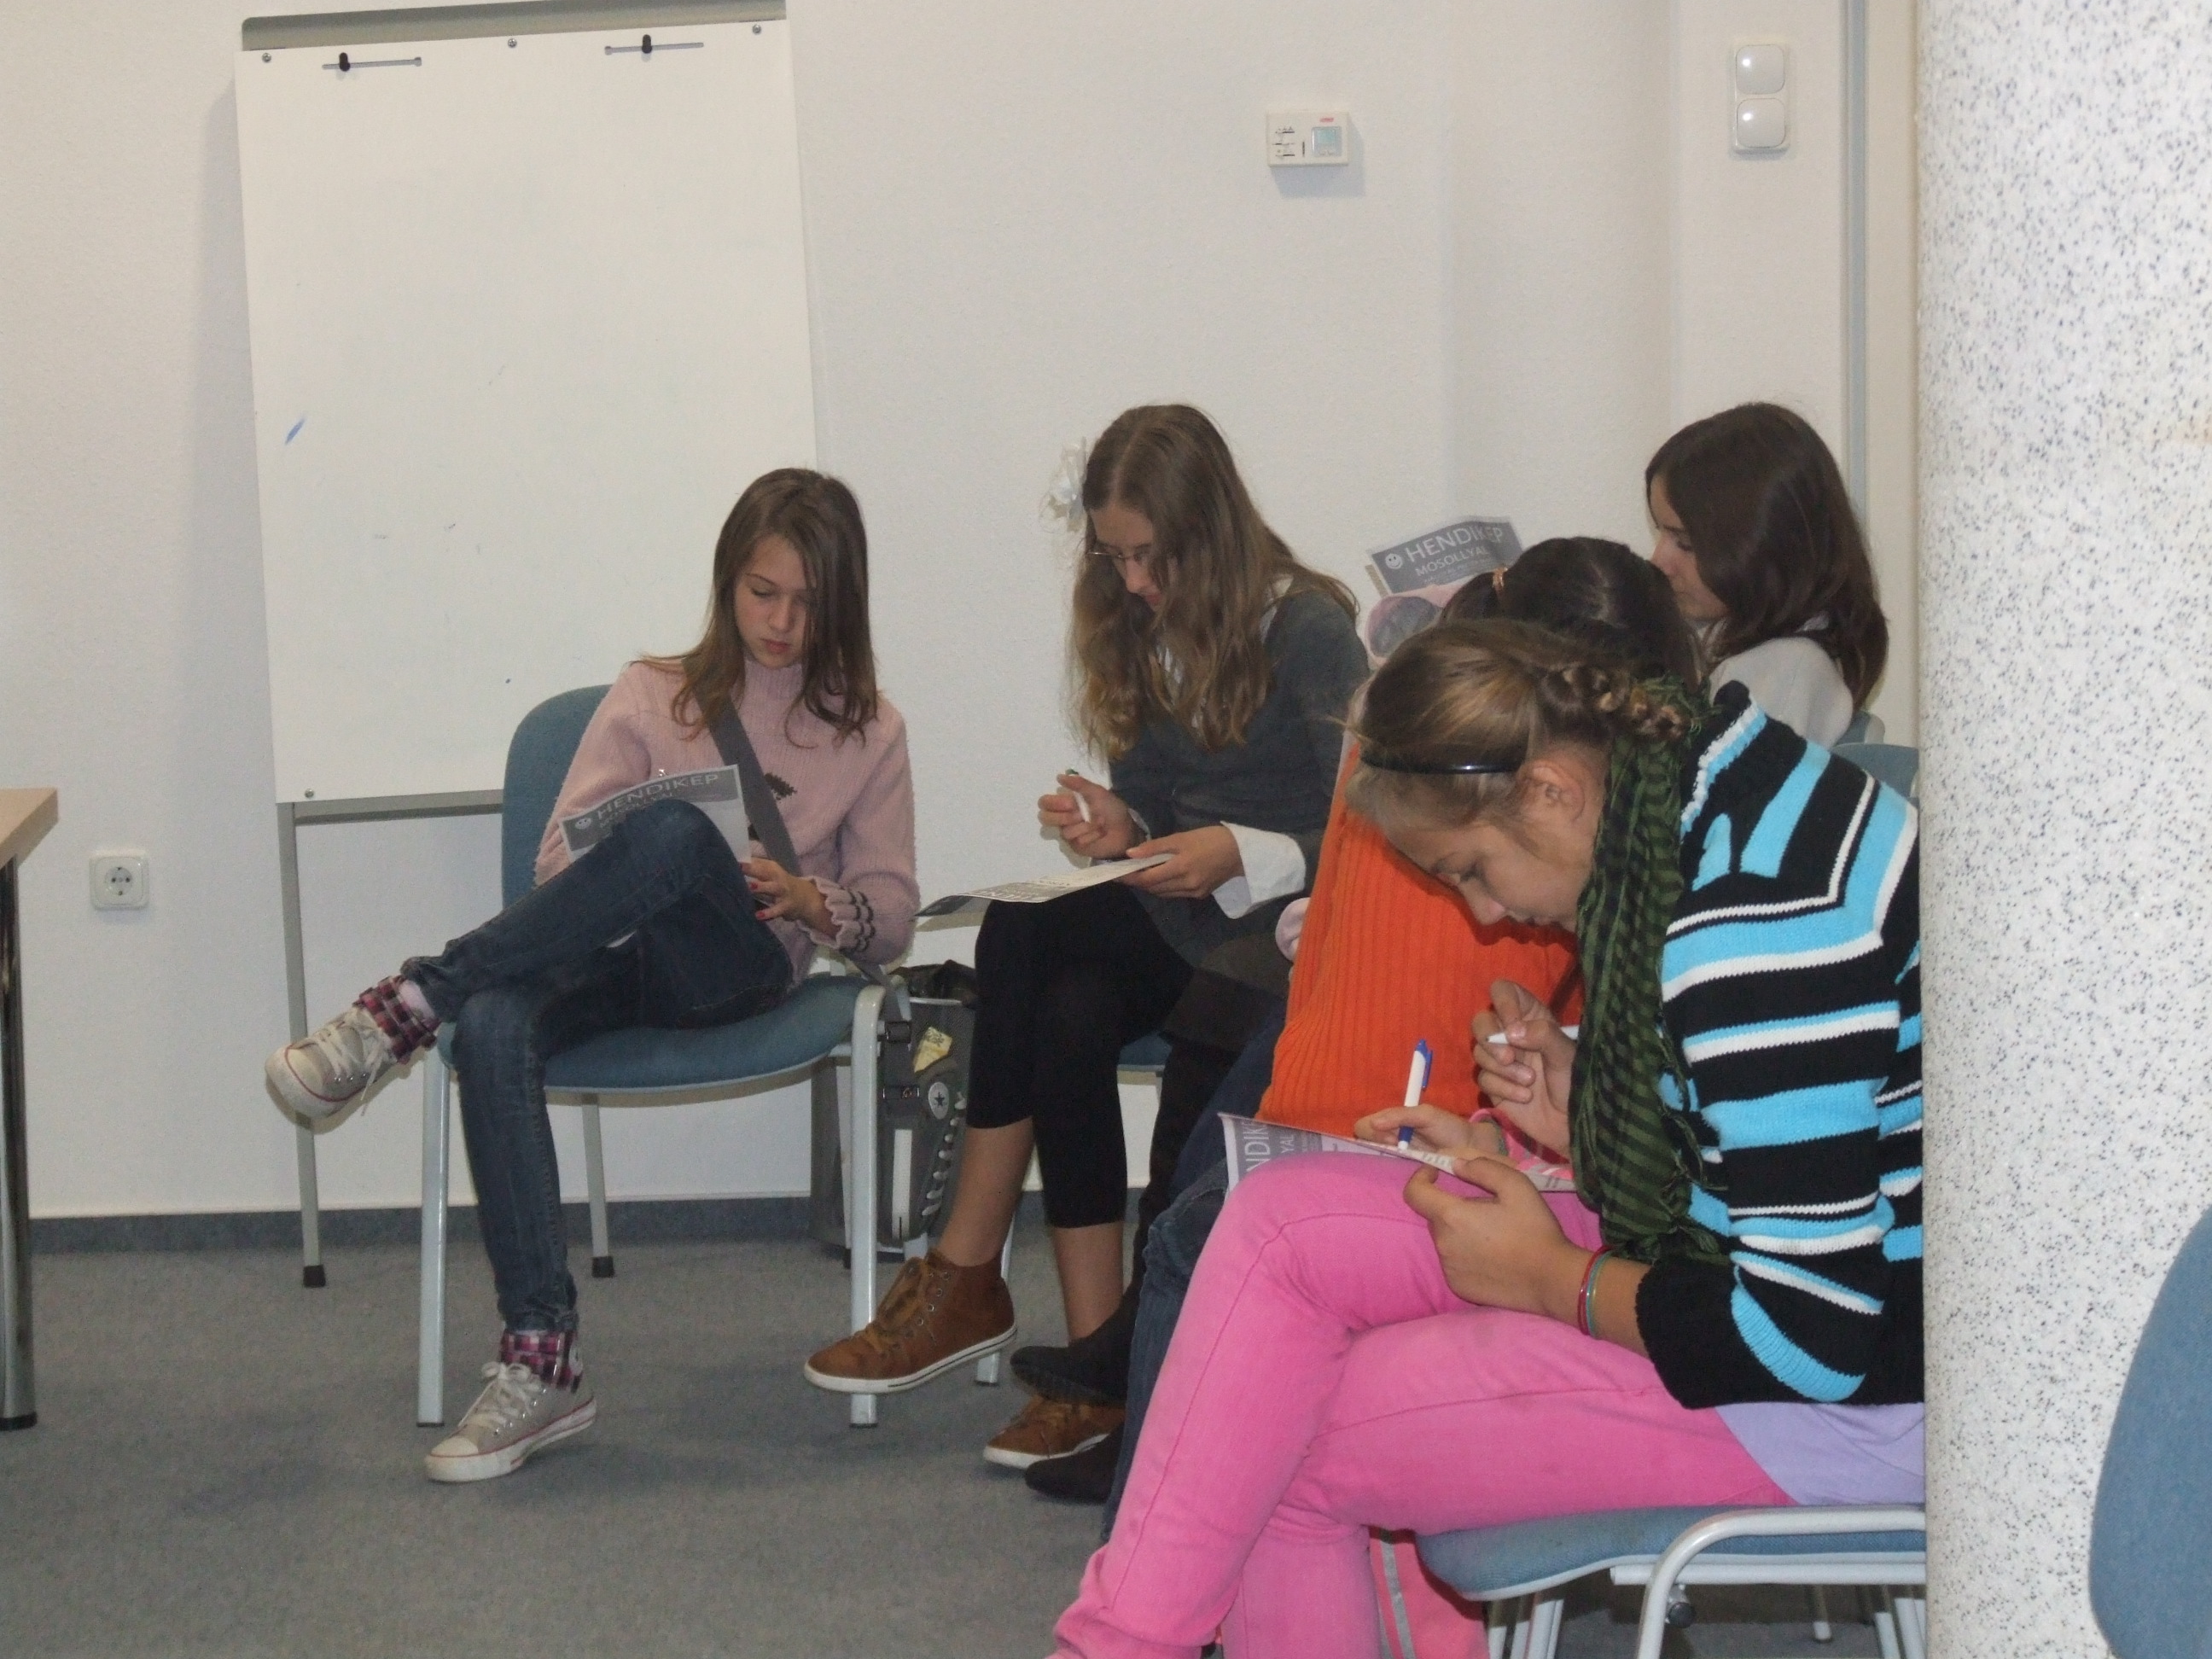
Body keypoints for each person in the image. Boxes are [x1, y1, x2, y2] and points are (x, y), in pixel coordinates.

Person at [1052, 618, 1922, 1657]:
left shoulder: (1752, 923)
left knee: (1275, 1439)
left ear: (1552, 790)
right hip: (1754, 1280)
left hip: (1850, 1401)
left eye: (1471, 868)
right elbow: (1774, 1143)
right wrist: (1587, 1119)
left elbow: (1807, 1334)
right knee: (1277, 1230)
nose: (1485, 910)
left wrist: (1554, 1279)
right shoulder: (1707, 771)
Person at [1016, 540, 1700, 1516]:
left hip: (1396, 1134)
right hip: (1417, 1125)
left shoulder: (1411, 730)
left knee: (1202, 1232)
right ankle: (1169, 1487)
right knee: (1208, 1211)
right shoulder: (1540, 815)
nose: (1484, 903)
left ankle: (1157, 1499)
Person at [265, 469, 918, 1483]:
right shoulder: (653, 691)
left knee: (675, 836)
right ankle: (543, 1361)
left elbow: (893, 920)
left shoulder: (869, 728)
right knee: (496, 1023)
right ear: (727, 583)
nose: (782, 623)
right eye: (761, 593)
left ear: (844, 602)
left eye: (806, 601)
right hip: (615, 959)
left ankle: (406, 1005)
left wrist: (807, 898)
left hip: (738, 968)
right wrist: (627, 868)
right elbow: (554, 869)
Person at [803, 405, 1368, 1470]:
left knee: (1044, 965)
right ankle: (1088, 1348)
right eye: (1115, 558)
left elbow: (1368, 825)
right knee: (1044, 972)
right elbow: (1160, 808)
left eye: (1151, 557)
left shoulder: (1307, 629)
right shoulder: (1140, 628)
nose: (1135, 582)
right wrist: (1125, 827)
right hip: (1183, 911)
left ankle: (976, 1276)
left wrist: (1237, 850)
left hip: (1281, 933)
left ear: (1210, 534)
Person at [1646, 402, 1889, 745]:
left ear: (1765, 547)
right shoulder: (1770, 658)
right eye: (1661, 533)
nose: (1659, 561)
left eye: (1685, 543)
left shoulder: (1783, 672)